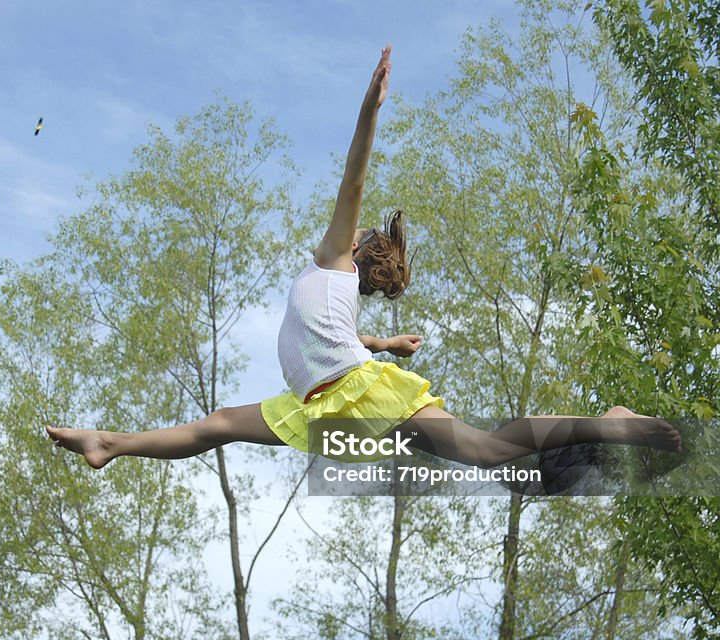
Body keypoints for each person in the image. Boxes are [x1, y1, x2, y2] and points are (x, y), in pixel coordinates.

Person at [46, 44, 681, 472]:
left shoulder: (334, 261)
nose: (340, 227)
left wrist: (367, 111)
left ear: (355, 246)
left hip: (352, 392)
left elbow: (352, 182)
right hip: (316, 400)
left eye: (348, 231)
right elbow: (336, 333)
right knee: (217, 423)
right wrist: (386, 343)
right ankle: (111, 444)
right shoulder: (337, 292)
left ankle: (609, 422)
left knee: (486, 452)